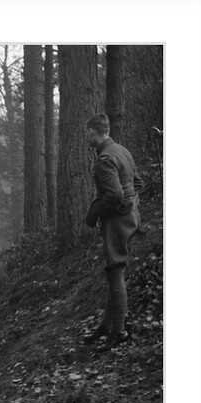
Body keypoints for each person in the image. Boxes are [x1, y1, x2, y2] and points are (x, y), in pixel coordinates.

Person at [83, 113, 145, 351]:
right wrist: (131, 207)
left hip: (117, 223)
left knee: (115, 273)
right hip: (129, 219)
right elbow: (137, 184)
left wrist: (97, 212)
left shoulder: (105, 159)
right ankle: (108, 326)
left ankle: (117, 332)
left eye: (87, 132)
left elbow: (115, 195)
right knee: (114, 272)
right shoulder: (122, 151)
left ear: (93, 132)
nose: (86, 136)